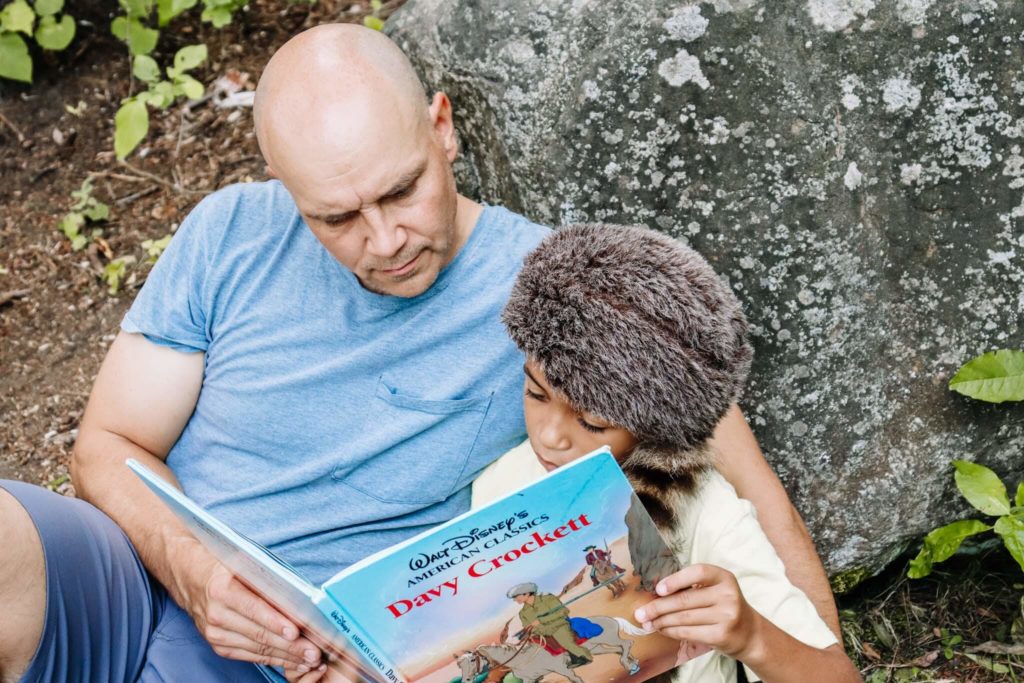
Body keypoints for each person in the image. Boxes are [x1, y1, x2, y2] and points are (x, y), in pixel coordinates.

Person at [0, 24, 836, 683]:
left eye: (402, 190)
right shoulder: (228, 232)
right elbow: (105, 446)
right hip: (138, 579)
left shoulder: (562, 295)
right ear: (285, 189)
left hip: (326, 656)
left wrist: (807, 648)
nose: (384, 239)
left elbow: (751, 493)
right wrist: (190, 571)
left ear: (443, 128)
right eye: (336, 216)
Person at [471, 223, 862, 683]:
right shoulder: (503, 479)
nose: (550, 437)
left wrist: (751, 635)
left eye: (593, 423)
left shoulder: (707, 513)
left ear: (654, 426)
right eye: (536, 395)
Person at [506, 583, 594, 668]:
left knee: (566, 643)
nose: (515, 600)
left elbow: (563, 611)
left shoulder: (548, 599)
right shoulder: (522, 613)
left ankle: (586, 657)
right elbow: (528, 626)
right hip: (542, 633)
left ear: (526, 594)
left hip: (559, 626)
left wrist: (541, 620)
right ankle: (573, 659)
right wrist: (534, 631)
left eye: (516, 596)